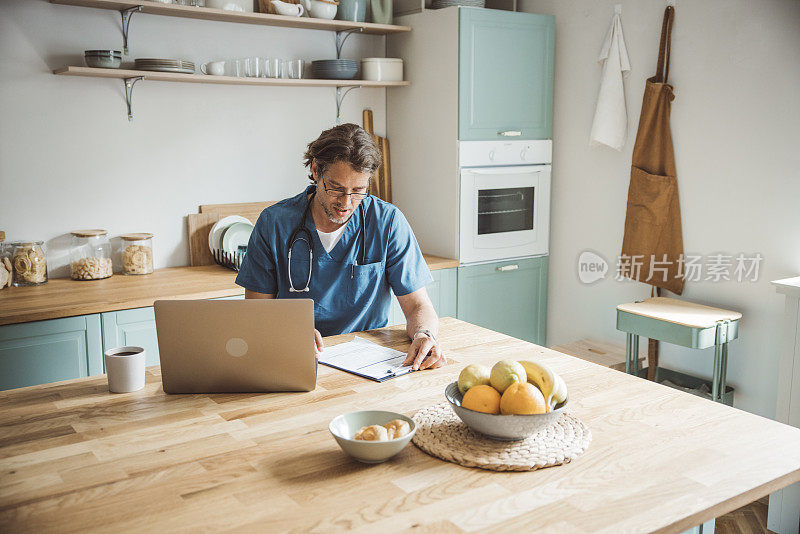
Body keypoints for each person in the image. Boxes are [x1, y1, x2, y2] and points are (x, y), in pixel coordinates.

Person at [235, 123, 445, 371]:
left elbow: (418, 306)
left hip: (368, 366)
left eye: (358, 191)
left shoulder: (387, 221)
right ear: (315, 170)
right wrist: (287, 332)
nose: (346, 203)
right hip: (294, 359)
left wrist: (425, 334)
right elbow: (256, 312)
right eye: (336, 188)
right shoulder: (274, 223)